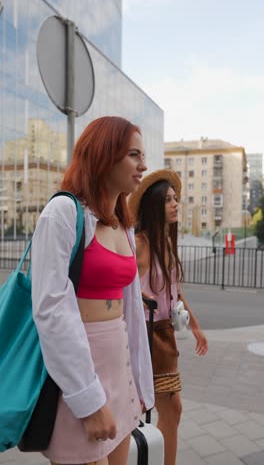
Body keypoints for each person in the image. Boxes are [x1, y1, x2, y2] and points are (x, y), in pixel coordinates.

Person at [31, 116, 154, 465]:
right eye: (133, 154)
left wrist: (140, 385)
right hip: (80, 375)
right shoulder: (62, 213)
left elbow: (130, 312)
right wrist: (87, 398)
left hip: (119, 371)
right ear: (104, 155)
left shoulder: (123, 226)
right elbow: (51, 309)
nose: (143, 165)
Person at [128, 169, 208, 465]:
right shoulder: (140, 243)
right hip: (146, 337)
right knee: (161, 409)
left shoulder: (165, 243)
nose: (176, 204)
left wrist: (196, 327)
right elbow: (123, 290)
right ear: (152, 206)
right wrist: (140, 298)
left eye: (176, 199)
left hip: (165, 335)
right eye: (168, 200)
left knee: (171, 412)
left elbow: (175, 290)